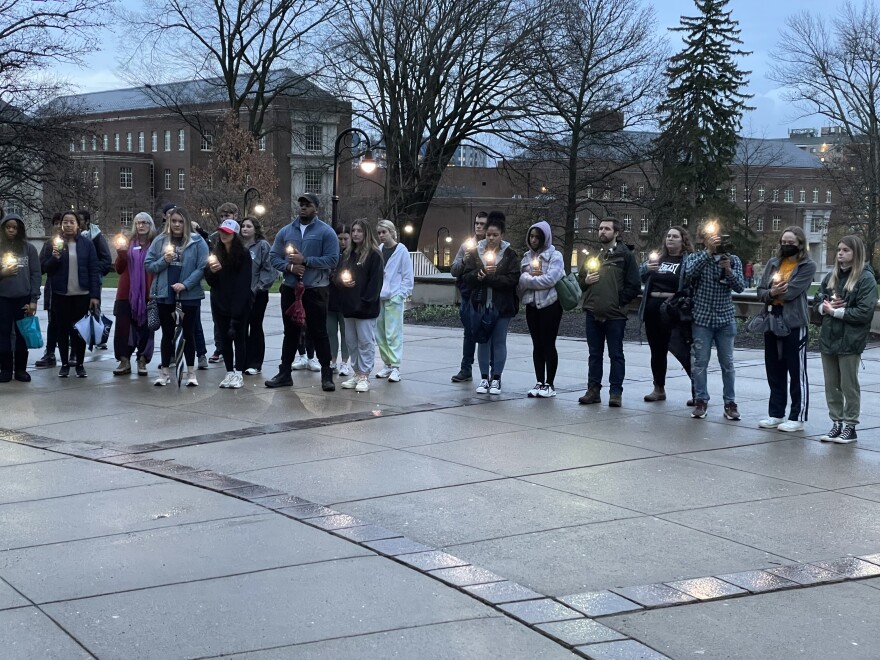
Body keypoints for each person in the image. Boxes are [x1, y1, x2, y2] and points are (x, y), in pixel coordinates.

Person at [265, 193, 339, 392]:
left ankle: (326, 374)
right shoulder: (286, 231)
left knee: (319, 332)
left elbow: (333, 260)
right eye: (301, 204)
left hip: (315, 290)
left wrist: (305, 261)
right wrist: (289, 268)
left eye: (308, 205)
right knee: (290, 332)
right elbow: (273, 257)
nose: (303, 207)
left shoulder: (326, 232)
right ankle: (284, 373)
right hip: (291, 289)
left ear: (316, 208)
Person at [815, 235, 878, 443]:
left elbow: (864, 312)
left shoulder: (865, 278)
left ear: (856, 253)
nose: (840, 253)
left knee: (848, 384)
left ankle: (850, 426)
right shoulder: (831, 276)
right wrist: (823, 307)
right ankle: (836, 423)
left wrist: (836, 312)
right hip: (829, 338)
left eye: (846, 250)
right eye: (839, 249)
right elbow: (818, 299)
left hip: (850, 341)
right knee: (831, 384)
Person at [756, 227, 816, 432]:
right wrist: (772, 292)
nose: (786, 245)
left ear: (800, 244)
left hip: (794, 322)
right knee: (774, 369)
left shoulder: (807, 265)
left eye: (791, 242)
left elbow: (791, 292)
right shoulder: (773, 263)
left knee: (796, 371)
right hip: (772, 319)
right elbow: (761, 291)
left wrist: (774, 291)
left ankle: (797, 416)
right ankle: (776, 413)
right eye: (784, 241)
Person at [576, 217, 640, 407]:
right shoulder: (592, 255)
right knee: (594, 354)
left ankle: (615, 393)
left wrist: (619, 302)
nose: (602, 231)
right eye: (600, 228)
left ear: (617, 233)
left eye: (606, 229)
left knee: (616, 354)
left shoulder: (625, 255)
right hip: (592, 312)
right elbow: (579, 281)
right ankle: (593, 390)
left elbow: (634, 285)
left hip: (615, 316)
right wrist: (585, 282)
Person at [685, 223, 745, 420]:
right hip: (702, 318)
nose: (716, 241)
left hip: (725, 319)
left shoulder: (733, 259)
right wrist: (708, 253)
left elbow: (740, 287)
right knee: (700, 362)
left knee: (727, 363)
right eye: (711, 238)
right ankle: (701, 400)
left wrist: (728, 271)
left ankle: (730, 402)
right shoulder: (696, 257)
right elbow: (688, 274)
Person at [145, 206, 208, 386]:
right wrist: (165, 260)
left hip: (189, 295)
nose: (177, 225)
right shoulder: (160, 240)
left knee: (188, 333)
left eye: (181, 221)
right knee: (167, 334)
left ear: (186, 223)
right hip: (165, 294)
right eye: (174, 221)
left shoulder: (197, 241)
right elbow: (148, 265)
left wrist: (186, 284)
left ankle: (190, 372)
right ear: (169, 222)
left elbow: (202, 267)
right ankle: (164, 372)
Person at [461, 211, 520, 395]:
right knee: (483, 341)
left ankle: (496, 378)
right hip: (480, 304)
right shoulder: (474, 252)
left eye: (495, 235)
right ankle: (484, 378)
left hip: (501, 305)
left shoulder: (510, 255)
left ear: (502, 235)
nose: (491, 238)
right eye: (488, 235)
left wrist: (492, 278)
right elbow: (465, 277)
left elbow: (513, 280)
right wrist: (477, 276)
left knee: (499, 341)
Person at [40, 210, 101, 378]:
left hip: (82, 294)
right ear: (61, 225)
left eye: (71, 222)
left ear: (78, 225)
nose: (67, 224)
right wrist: (54, 258)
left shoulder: (87, 244)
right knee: (62, 330)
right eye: (65, 222)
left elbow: (93, 270)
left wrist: (95, 296)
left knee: (80, 331)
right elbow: (43, 268)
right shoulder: (54, 243)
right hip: (61, 294)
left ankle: (80, 364)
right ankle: (65, 364)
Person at [639, 226, 694, 404]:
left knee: (683, 351)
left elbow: (691, 283)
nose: (670, 239)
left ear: (683, 240)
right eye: (668, 236)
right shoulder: (659, 259)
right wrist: (646, 268)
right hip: (652, 310)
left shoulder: (688, 260)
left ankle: (697, 391)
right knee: (657, 351)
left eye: (675, 236)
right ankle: (658, 389)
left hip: (674, 311)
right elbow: (639, 276)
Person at [204, 219, 254, 389]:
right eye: (221, 231)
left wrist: (237, 309)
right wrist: (212, 271)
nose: (223, 235)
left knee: (239, 338)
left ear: (234, 234)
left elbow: (244, 283)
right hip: (220, 302)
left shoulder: (243, 254)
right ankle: (229, 372)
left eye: (227, 232)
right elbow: (211, 281)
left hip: (238, 303)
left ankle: (239, 372)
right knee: (224, 339)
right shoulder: (216, 253)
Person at [336, 218, 383, 392]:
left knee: (365, 342)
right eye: (353, 230)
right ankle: (356, 372)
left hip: (365, 308)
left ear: (366, 233)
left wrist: (365, 302)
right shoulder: (348, 255)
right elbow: (338, 275)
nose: (355, 234)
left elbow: (375, 283)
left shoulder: (373, 255)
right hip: (349, 306)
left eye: (359, 231)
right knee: (351, 342)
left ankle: (364, 374)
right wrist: (342, 283)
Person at [519, 220, 564, 398]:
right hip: (531, 306)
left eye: (538, 236)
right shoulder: (526, 257)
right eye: (532, 236)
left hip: (550, 305)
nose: (534, 239)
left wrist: (529, 279)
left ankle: (550, 384)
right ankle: (539, 381)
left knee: (548, 344)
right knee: (537, 345)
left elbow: (551, 280)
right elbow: (520, 282)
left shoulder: (555, 256)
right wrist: (531, 279)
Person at [112, 212, 157, 377]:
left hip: (148, 292)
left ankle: (142, 360)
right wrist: (122, 253)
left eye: (145, 222)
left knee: (146, 328)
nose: (141, 225)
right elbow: (119, 269)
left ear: (150, 225)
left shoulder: (156, 244)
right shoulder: (128, 243)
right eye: (138, 222)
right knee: (123, 328)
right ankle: (124, 360)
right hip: (126, 292)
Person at [0, 212, 41, 382]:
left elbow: (36, 274)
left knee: (22, 334)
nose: (11, 230)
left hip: (23, 298)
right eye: (8, 227)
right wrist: (3, 272)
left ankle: (21, 369)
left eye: (15, 227)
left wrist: (33, 300)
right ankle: (6, 369)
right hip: (3, 298)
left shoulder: (29, 249)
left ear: (20, 230)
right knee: (3, 334)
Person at [450, 212, 487, 382]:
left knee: (486, 332)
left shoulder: (491, 245)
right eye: (476, 223)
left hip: (486, 294)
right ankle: (466, 368)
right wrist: (464, 261)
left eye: (482, 224)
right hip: (468, 294)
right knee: (468, 331)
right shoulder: (467, 245)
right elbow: (453, 270)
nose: (478, 226)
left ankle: (489, 373)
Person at [375, 219, 414, 383]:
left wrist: (401, 294)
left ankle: (396, 366)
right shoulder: (379, 249)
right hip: (379, 298)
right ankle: (387, 364)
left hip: (394, 298)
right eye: (379, 233)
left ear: (391, 232)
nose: (381, 236)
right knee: (380, 334)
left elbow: (407, 276)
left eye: (384, 232)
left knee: (393, 333)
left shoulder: (402, 250)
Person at [240, 216, 276, 375]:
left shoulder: (262, 246)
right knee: (241, 327)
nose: (245, 228)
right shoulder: (238, 246)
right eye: (243, 226)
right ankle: (242, 360)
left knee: (255, 326)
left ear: (255, 229)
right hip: (240, 294)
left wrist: (258, 287)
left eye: (248, 226)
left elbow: (268, 269)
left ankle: (255, 363)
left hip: (257, 294)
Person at [206, 202, 237, 366]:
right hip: (218, 286)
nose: (225, 218)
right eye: (222, 216)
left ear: (235, 216)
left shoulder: (240, 237)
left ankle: (235, 350)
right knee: (218, 320)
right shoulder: (214, 238)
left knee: (236, 320)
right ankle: (220, 348)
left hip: (235, 287)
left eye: (228, 215)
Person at [35, 213, 62, 368]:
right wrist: (53, 258)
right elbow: (41, 268)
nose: (59, 226)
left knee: (72, 323)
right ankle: (50, 353)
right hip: (53, 290)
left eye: (62, 222)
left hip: (72, 290)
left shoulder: (75, 243)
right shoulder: (48, 244)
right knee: (53, 323)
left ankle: (73, 354)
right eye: (56, 223)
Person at [328, 225, 352, 377]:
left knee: (345, 332)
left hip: (346, 298)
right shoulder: (331, 254)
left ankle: (344, 362)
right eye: (340, 239)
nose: (342, 242)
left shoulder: (353, 255)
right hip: (330, 297)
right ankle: (332, 361)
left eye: (345, 239)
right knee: (330, 331)